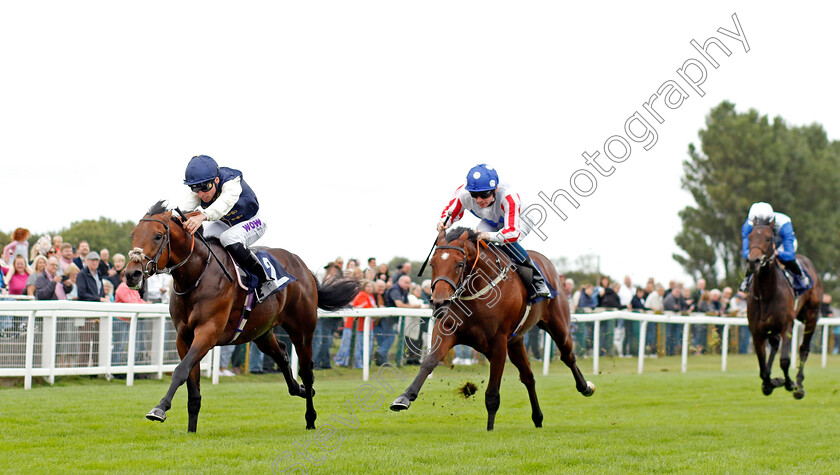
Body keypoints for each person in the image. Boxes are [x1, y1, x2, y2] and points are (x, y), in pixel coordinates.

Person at [438, 164, 550, 301]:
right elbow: (450, 213)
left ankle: (537, 280)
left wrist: (487, 235)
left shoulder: (509, 197)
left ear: (495, 189)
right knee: (473, 243)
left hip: (521, 218)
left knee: (507, 244)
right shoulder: (463, 193)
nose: (479, 200)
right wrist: (444, 222)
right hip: (491, 219)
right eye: (474, 195)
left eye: (484, 194)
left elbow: (512, 234)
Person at [179, 154, 280, 302]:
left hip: (253, 220)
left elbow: (223, 204)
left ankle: (265, 280)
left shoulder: (232, 182)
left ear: (216, 180)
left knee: (229, 238)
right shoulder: (201, 189)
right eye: (195, 189)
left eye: (205, 188)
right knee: (203, 238)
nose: (201, 194)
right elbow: (183, 208)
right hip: (226, 223)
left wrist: (201, 216)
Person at [740, 202, 810, 292]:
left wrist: (777, 253)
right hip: (763, 245)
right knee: (753, 259)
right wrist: (753, 255)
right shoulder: (748, 225)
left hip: (781, 244)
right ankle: (747, 280)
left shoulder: (784, 223)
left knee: (787, 260)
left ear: (771, 222)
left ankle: (801, 276)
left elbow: (790, 254)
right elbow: (745, 252)